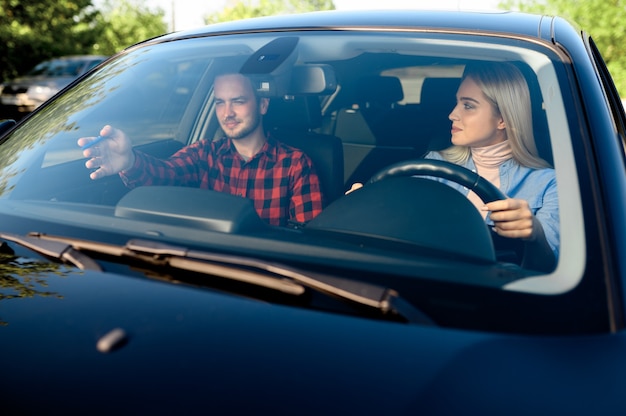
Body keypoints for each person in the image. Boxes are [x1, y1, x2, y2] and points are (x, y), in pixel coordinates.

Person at [78, 72, 324, 227]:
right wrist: (130, 161)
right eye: (220, 103)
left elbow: (309, 239)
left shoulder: (295, 164)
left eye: (238, 101)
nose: (227, 113)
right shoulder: (204, 154)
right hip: (203, 269)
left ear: (263, 105)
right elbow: (164, 174)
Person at [426, 62, 558, 271]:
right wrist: (368, 205)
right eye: (457, 103)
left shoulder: (548, 183)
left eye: (467, 105)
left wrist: (536, 235)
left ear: (502, 120)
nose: (452, 114)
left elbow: (550, 269)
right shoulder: (433, 165)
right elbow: (397, 222)